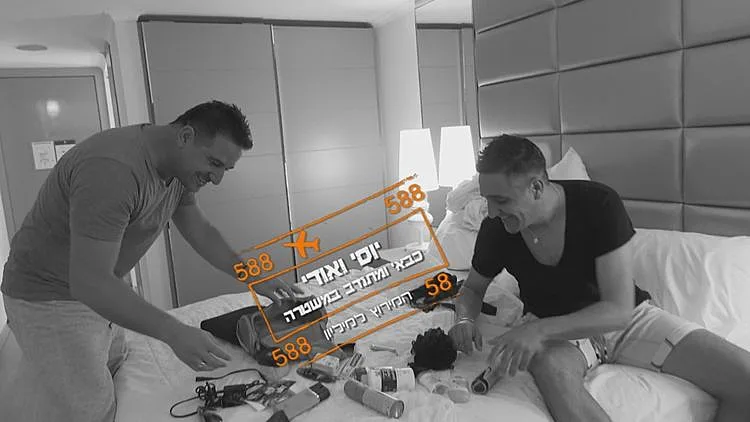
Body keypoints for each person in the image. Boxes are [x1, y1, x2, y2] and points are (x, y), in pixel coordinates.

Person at [0, 100, 303, 422]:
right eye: (213, 163)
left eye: (224, 170)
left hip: (100, 285)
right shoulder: (112, 171)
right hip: (49, 297)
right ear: (185, 136)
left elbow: (199, 230)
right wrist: (173, 332)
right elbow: (89, 283)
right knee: (90, 409)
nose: (216, 179)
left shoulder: (178, 168)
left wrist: (253, 275)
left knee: (115, 365)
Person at [448, 135, 750, 422]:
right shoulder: (496, 229)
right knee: (550, 368)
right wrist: (464, 319)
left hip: (626, 320)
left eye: (500, 201)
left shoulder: (598, 204)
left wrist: (536, 330)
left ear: (536, 188)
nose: (491, 212)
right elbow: (472, 289)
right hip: (558, 333)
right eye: (487, 200)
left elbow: (618, 311)